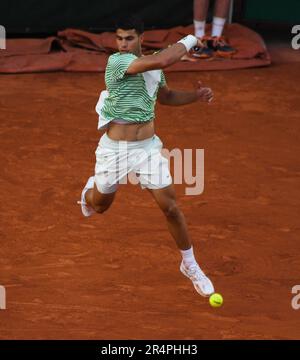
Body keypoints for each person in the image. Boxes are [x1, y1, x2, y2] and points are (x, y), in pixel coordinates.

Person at [78, 15, 215, 297]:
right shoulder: (118, 62)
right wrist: (191, 39)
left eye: (129, 38)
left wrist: (196, 95)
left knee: (171, 207)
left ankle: (189, 264)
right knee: (100, 206)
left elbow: (165, 97)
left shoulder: (152, 65)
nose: (124, 44)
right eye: (120, 39)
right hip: (114, 151)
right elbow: (165, 60)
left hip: (148, 148)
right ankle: (88, 192)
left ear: (141, 37)